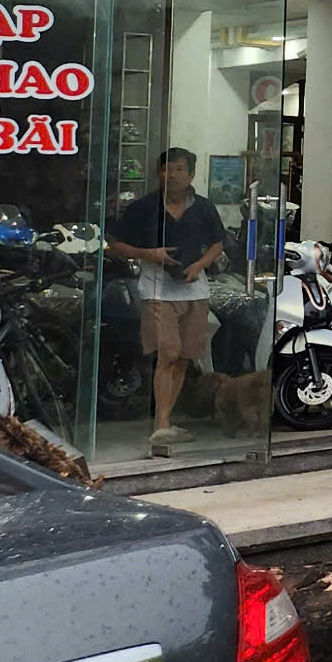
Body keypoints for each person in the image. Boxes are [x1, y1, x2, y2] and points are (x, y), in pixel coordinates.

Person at [106, 148, 230, 452]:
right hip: (157, 289)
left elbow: (218, 243)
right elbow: (115, 245)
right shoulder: (143, 208)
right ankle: (160, 425)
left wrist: (199, 265)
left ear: (191, 174)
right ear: (158, 173)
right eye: (166, 169)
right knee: (168, 352)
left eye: (178, 169)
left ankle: (166, 420)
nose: (171, 175)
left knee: (184, 356)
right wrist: (149, 254)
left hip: (195, 290)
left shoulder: (203, 207)